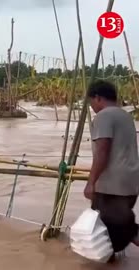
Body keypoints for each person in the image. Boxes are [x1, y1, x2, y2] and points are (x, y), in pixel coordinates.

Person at [85, 80, 139, 255]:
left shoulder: (104, 116)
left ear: (97, 98)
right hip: (130, 183)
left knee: (114, 232)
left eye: (91, 102)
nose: (92, 106)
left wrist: (91, 182)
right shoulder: (126, 116)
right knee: (117, 229)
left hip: (112, 186)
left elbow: (102, 151)